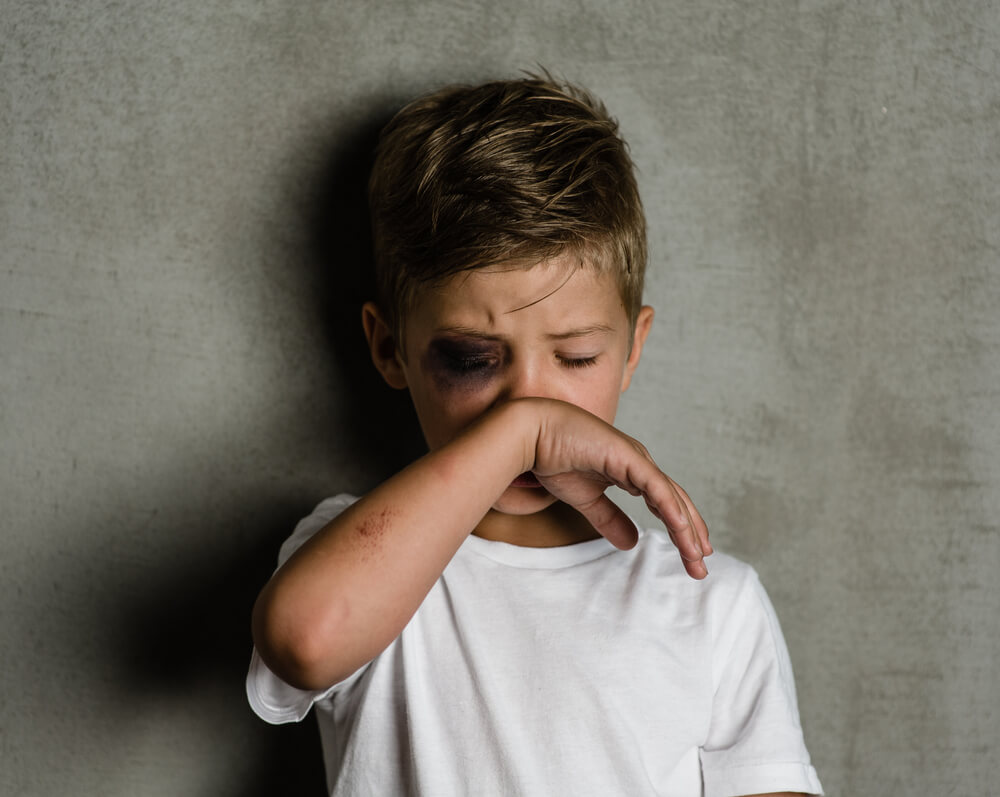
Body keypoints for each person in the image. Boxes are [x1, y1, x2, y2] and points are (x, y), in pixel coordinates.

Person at [246, 74, 823, 797]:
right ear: (389, 347)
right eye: (471, 360)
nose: (528, 402)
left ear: (632, 347)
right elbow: (303, 639)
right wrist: (523, 432)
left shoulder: (711, 603)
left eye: (575, 357)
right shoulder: (362, 551)